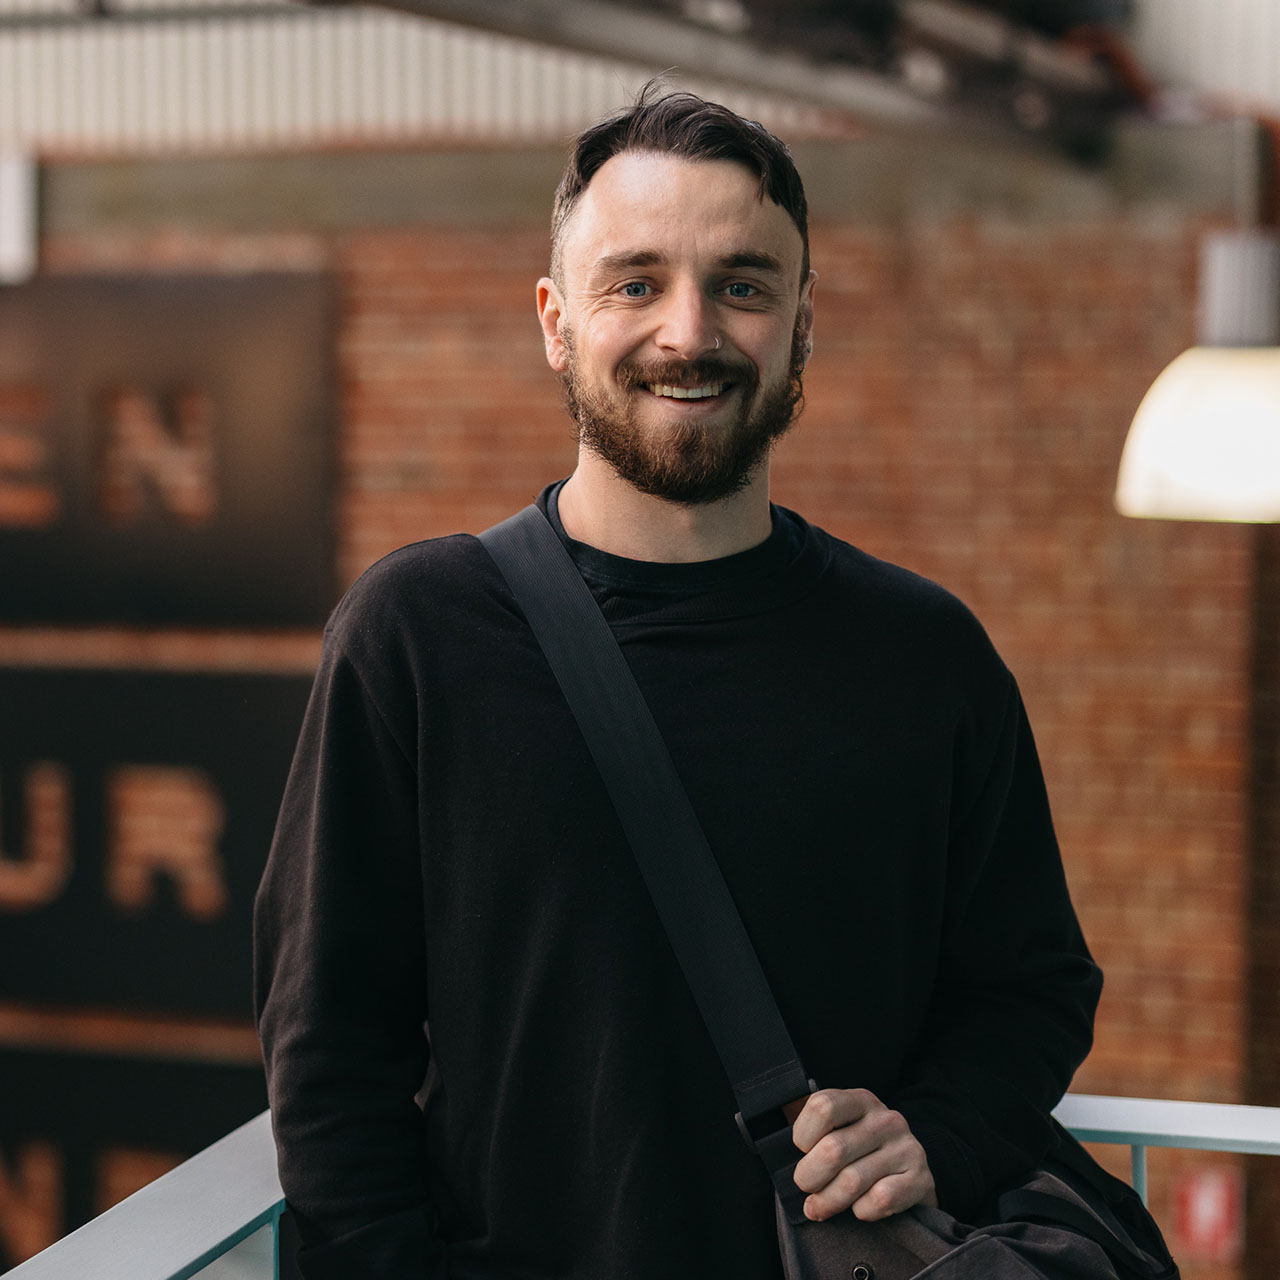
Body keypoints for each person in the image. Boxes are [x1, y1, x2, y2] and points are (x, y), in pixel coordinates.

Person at [254, 83, 1103, 1280]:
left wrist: (936, 1134)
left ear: (801, 324)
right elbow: (329, 1051)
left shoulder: (924, 654)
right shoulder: (418, 635)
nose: (689, 331)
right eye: (635, 282)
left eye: (742, 285)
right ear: (556, 320)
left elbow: (1031, 986)